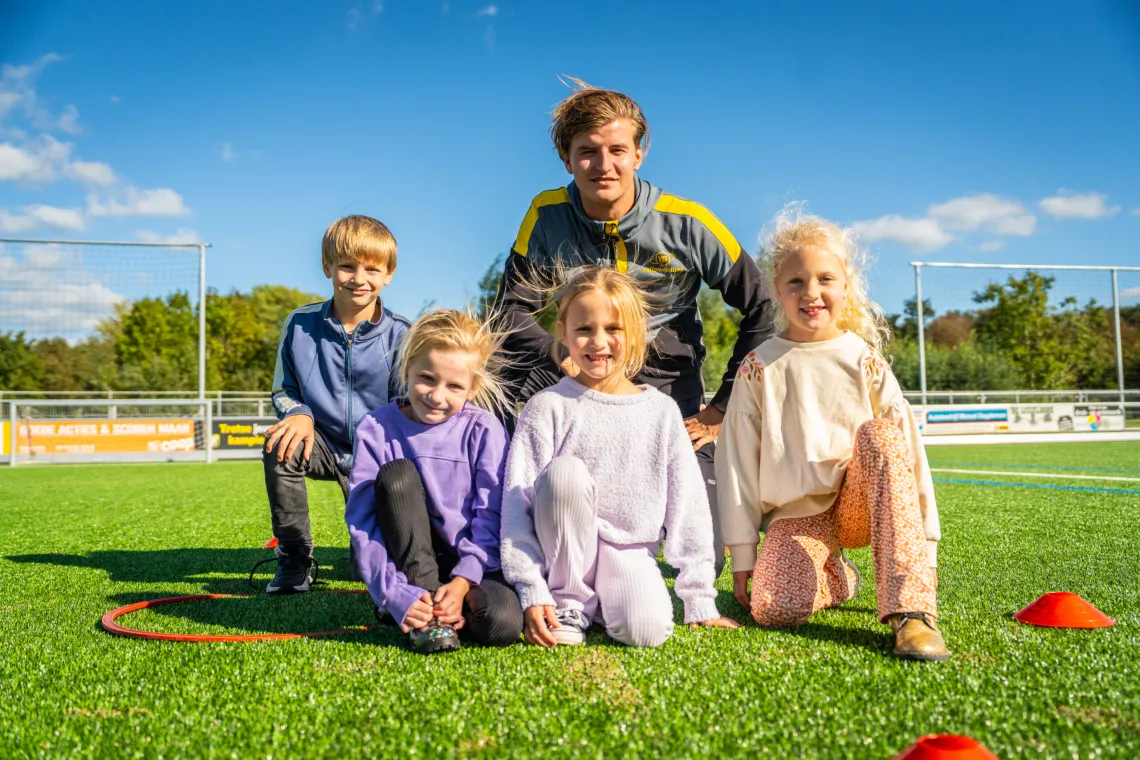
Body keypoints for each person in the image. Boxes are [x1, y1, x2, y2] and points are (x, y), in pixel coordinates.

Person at [493, 79, 774, 577]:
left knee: (704, 558)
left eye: (617, 150)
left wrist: (720, 410)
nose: (604, 166)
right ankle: (491, 526)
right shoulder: (544, 214)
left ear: (640, 153)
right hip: (577, 363)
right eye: (588, 153)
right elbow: (508, 314)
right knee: (485, 369)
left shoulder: (689, 221)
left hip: (664, 376)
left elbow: (765, 307)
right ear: (566, 158)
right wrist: (562, 355)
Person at [715, 208, 947, 661]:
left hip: (860, 506)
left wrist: (927, 553)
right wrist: (744, 553)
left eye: (825, 279)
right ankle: (837, 574)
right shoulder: (759, 366)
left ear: (846, 286)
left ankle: (913, 612)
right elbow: (737, 465)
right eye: (796, 282)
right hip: (798, 518)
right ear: (777, 290)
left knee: (881, 436)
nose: (811, 293)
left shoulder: (864, 360)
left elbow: (909, 458)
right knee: (772, 608)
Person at [500, 266, 739, 648]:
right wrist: (532, 588)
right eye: (584, 329)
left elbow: (688, 506)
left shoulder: (661, 411)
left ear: (637, 333)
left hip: (627, 553)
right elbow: (516, 500)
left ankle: (603, 603)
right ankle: (569, 602)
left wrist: (699, 602)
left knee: (647, 632)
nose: (598, 342)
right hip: (563, 557)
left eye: (613, 329)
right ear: (563, 332)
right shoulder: (547, 406)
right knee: (564, 474)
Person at [345, 308, 524, 654]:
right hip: (411, 560)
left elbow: (491, 515)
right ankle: (420, 604)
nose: (437, 396)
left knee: (501, 624)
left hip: (472, 568)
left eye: (454, 386)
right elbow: (364, 523)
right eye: (426, 378)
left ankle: (442, 608)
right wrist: (394, 593)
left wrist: (461, 583)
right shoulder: (375, 428)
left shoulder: (484, 429)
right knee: (396, 477)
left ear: (472, 388)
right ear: (407, 368)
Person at [262, 215, 410, 595]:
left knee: (365, 571)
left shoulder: (402, 334)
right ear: (328, 267)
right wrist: (299, 414)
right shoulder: (299, 324)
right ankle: (296, 557)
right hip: (321, 442)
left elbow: (406, 404)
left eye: (372, 269)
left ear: (389, 273)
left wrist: (381, 444)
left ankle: (365, 546)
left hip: (377, 450)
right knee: (281, 444)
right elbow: (284, 388)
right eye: (347, 266)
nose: (359, 278)